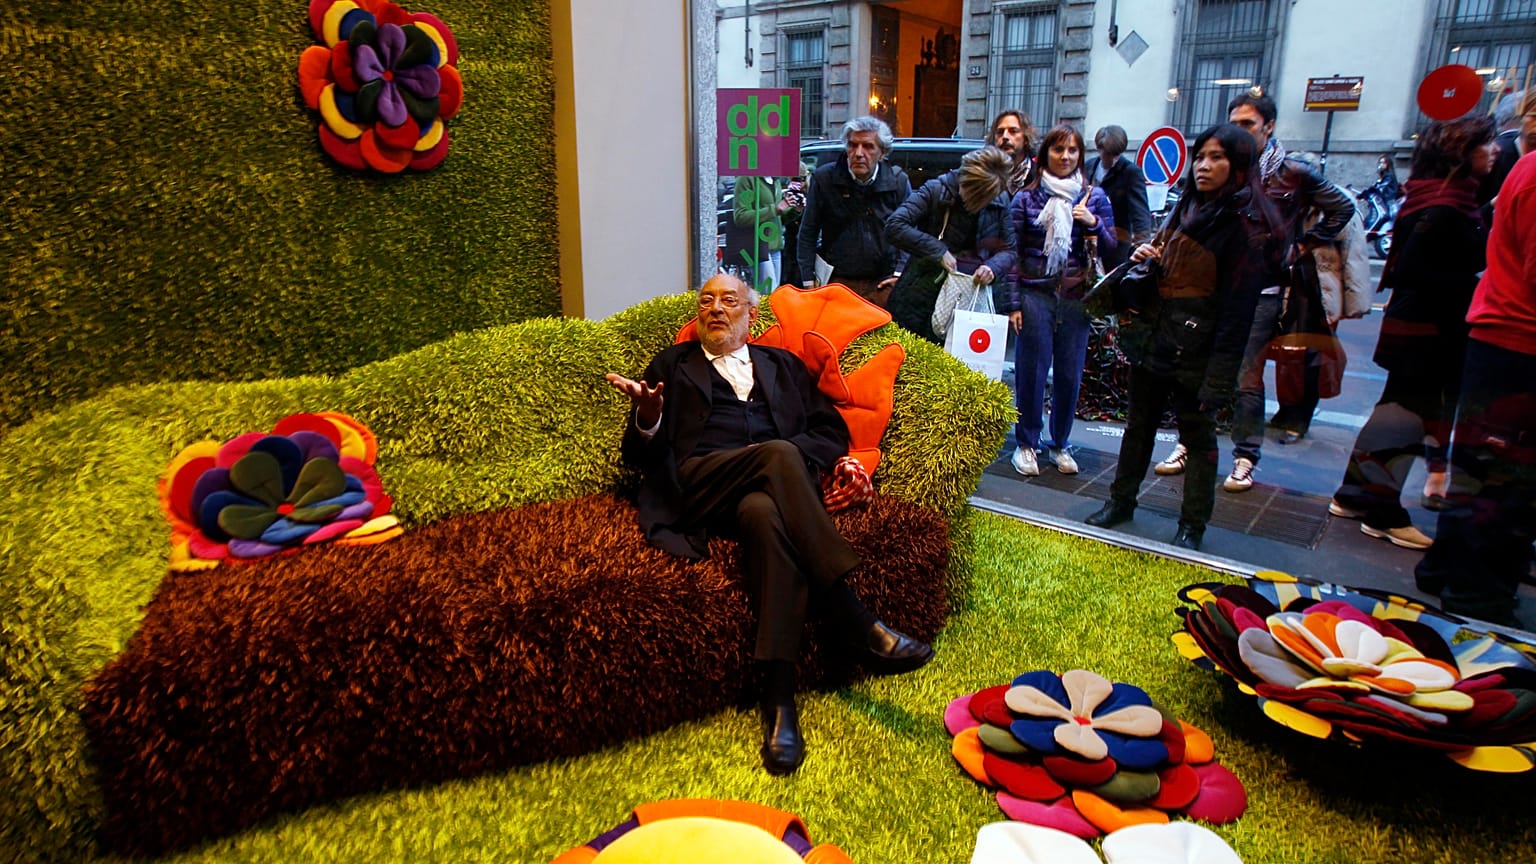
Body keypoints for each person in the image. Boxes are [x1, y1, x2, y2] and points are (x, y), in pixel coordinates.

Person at [604, 273, 934, 775]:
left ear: (751, 316)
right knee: (776, 455)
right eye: (706, 301)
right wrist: (647, 419)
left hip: (764, 492)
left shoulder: (784, 366)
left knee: (765, 513)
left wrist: (786, 462)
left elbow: (829, 431)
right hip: (698, 485)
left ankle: (778, 700)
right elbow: (637, 457)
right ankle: (851, 615)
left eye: (729, 300)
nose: (716, 308)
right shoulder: (673, 365)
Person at [1082, 124, 1279, 550]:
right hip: (1156, 338)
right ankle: (1121, 502)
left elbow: (1237, 314)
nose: (1204, 166)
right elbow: (1160, 272)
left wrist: (1219, 379)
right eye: (1200, 156)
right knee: (1138, 428)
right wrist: (1145, 258)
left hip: (1199, 349)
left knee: (1198, 438)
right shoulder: (1185, 207)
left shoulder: (1246, 227)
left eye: (1217, 157)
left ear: (1239, 166)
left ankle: (1192, 525)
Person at [1154, 93, 1354, 488]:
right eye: (1234, 123)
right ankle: (1189, 442)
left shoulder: (1291, 173)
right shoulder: (1224, 170)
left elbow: (1341, 207)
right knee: (1196, 368)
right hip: (1210, 289)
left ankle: (1245, 456)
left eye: (1247, 124)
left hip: (1262, 289)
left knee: (1247, 373)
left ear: (1268, 126)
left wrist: (1299, 247)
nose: (1239, 131)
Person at [1329, 117, 1498, 550]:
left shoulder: (1441, 199)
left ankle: (1355, 494)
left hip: (1420, 326)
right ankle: (1382, 511)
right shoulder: (1444, 207)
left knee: (1394, 415)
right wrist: (1473, 283)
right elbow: (1416, 270)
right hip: (1429, 331)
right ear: (1461, 154)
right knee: (1409, 419)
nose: (1495, 150)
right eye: (1486, 143)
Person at [1412, 148, 1536, 627]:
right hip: (1518, 342)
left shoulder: (1523, 169)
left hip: (1503, 337)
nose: (1493, 152)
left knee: (1482, 471)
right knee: (1505, 483)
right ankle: (1476, 604)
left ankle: (1448, 573)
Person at [1003, 124, 1116, 476]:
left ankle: (1061, 443)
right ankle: (1026, 444)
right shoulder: (1026, 199)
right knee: (1031, 374)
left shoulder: (1094, 197)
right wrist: (1013, 304)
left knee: (1069, 375)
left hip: (1076, 297)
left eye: (1072, 150)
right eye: (1058, 150)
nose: (1065, 157)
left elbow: (1114, 249)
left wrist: (1094, 223)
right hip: (1035, 294)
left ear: (1080, 155)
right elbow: (1012, 254)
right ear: (1045, 155)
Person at [884, 146, 1017, 343]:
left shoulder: (1000, 200)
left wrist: (992, 267)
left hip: (972, 299)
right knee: (911, 354)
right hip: (920, 295)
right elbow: (894, 226)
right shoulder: (936, 190)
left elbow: (1009, 250)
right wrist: (939, 251)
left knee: (964, 356)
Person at [796, 117, 912, 305]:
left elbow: (909, 233)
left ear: (882, 153)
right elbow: (808, 232)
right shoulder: (824, 179)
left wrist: (899, 275)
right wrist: (808, 282)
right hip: (838, 283)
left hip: (883, 284)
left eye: (868, 147)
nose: (858, 153)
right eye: (852, 145)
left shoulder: (898, 181)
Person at [1084, 125, 1154, 268]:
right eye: (1109, 154)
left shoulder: (1130, 172)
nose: (1114, 159)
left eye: (1117, 154)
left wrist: (1142, 246)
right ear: (1099, 148)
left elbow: (1140, 213)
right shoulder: (1089, 166)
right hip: (1088, 241)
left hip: (1116, 247)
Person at [733, 174, 796, 293]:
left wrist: (795, 211)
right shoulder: (747, 178)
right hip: (758, 245)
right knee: (768, 293)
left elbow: (777, 219)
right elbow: (740, 217)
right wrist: (775, 209)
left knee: (774, 293)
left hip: (775, 245)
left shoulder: (775, 180)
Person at [988, 109, 1038, 195]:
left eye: (1013, 131)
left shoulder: (1040, 177)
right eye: (1000, 132)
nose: (1005, 136)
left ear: (1026, 138)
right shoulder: (984, 173)